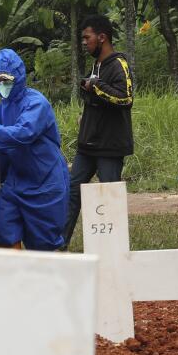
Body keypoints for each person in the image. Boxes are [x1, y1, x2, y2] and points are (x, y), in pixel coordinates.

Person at [0, 48, 69, 251]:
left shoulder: (36, 103)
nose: (2, 85)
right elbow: (0, 149)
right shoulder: (2, 109)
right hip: (16, 181)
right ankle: (14, 277)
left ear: (19, 77)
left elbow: (23, 133)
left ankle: (45, 279)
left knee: (43, 244)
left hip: (44, 181)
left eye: (7, 79)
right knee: (3, 229)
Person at [63, 15, 133, 247]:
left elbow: (126, 98)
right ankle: (59, 245)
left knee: (109, 197)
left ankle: (114, 249)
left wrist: (95, 86)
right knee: (72, 192)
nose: (84, 42)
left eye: (87, 37)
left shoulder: (118, 64)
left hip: (109, 148)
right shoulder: (97, 65)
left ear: (102, 37)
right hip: (88, 145)